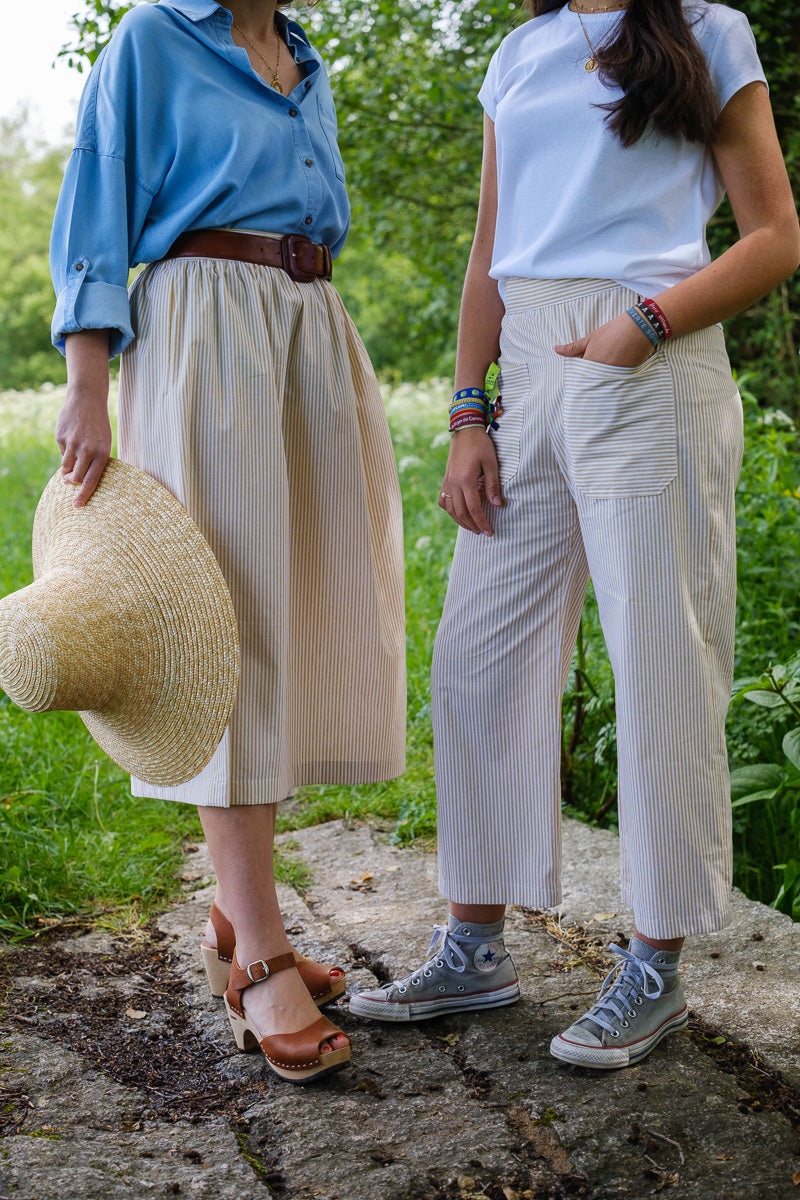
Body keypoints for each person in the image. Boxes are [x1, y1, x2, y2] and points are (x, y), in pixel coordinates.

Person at [349, 0, 799, 1069]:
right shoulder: (519, 50)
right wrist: (468, 410)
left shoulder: (705, 29)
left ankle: (653, 964)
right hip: (528, 361)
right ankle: (473, 945)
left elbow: (775, 236)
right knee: (476, 659)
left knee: (657, 664)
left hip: (648, 351)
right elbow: (487, 252)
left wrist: (643, 325)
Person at [50, 0, 406, 1084]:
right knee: (228, 631)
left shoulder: (302, 55)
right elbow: (96, 206)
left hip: (307, 328)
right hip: (204, 332)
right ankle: (256, 956)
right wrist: (86, 382)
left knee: (302, 617)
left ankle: (235, 915)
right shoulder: (155, 38)